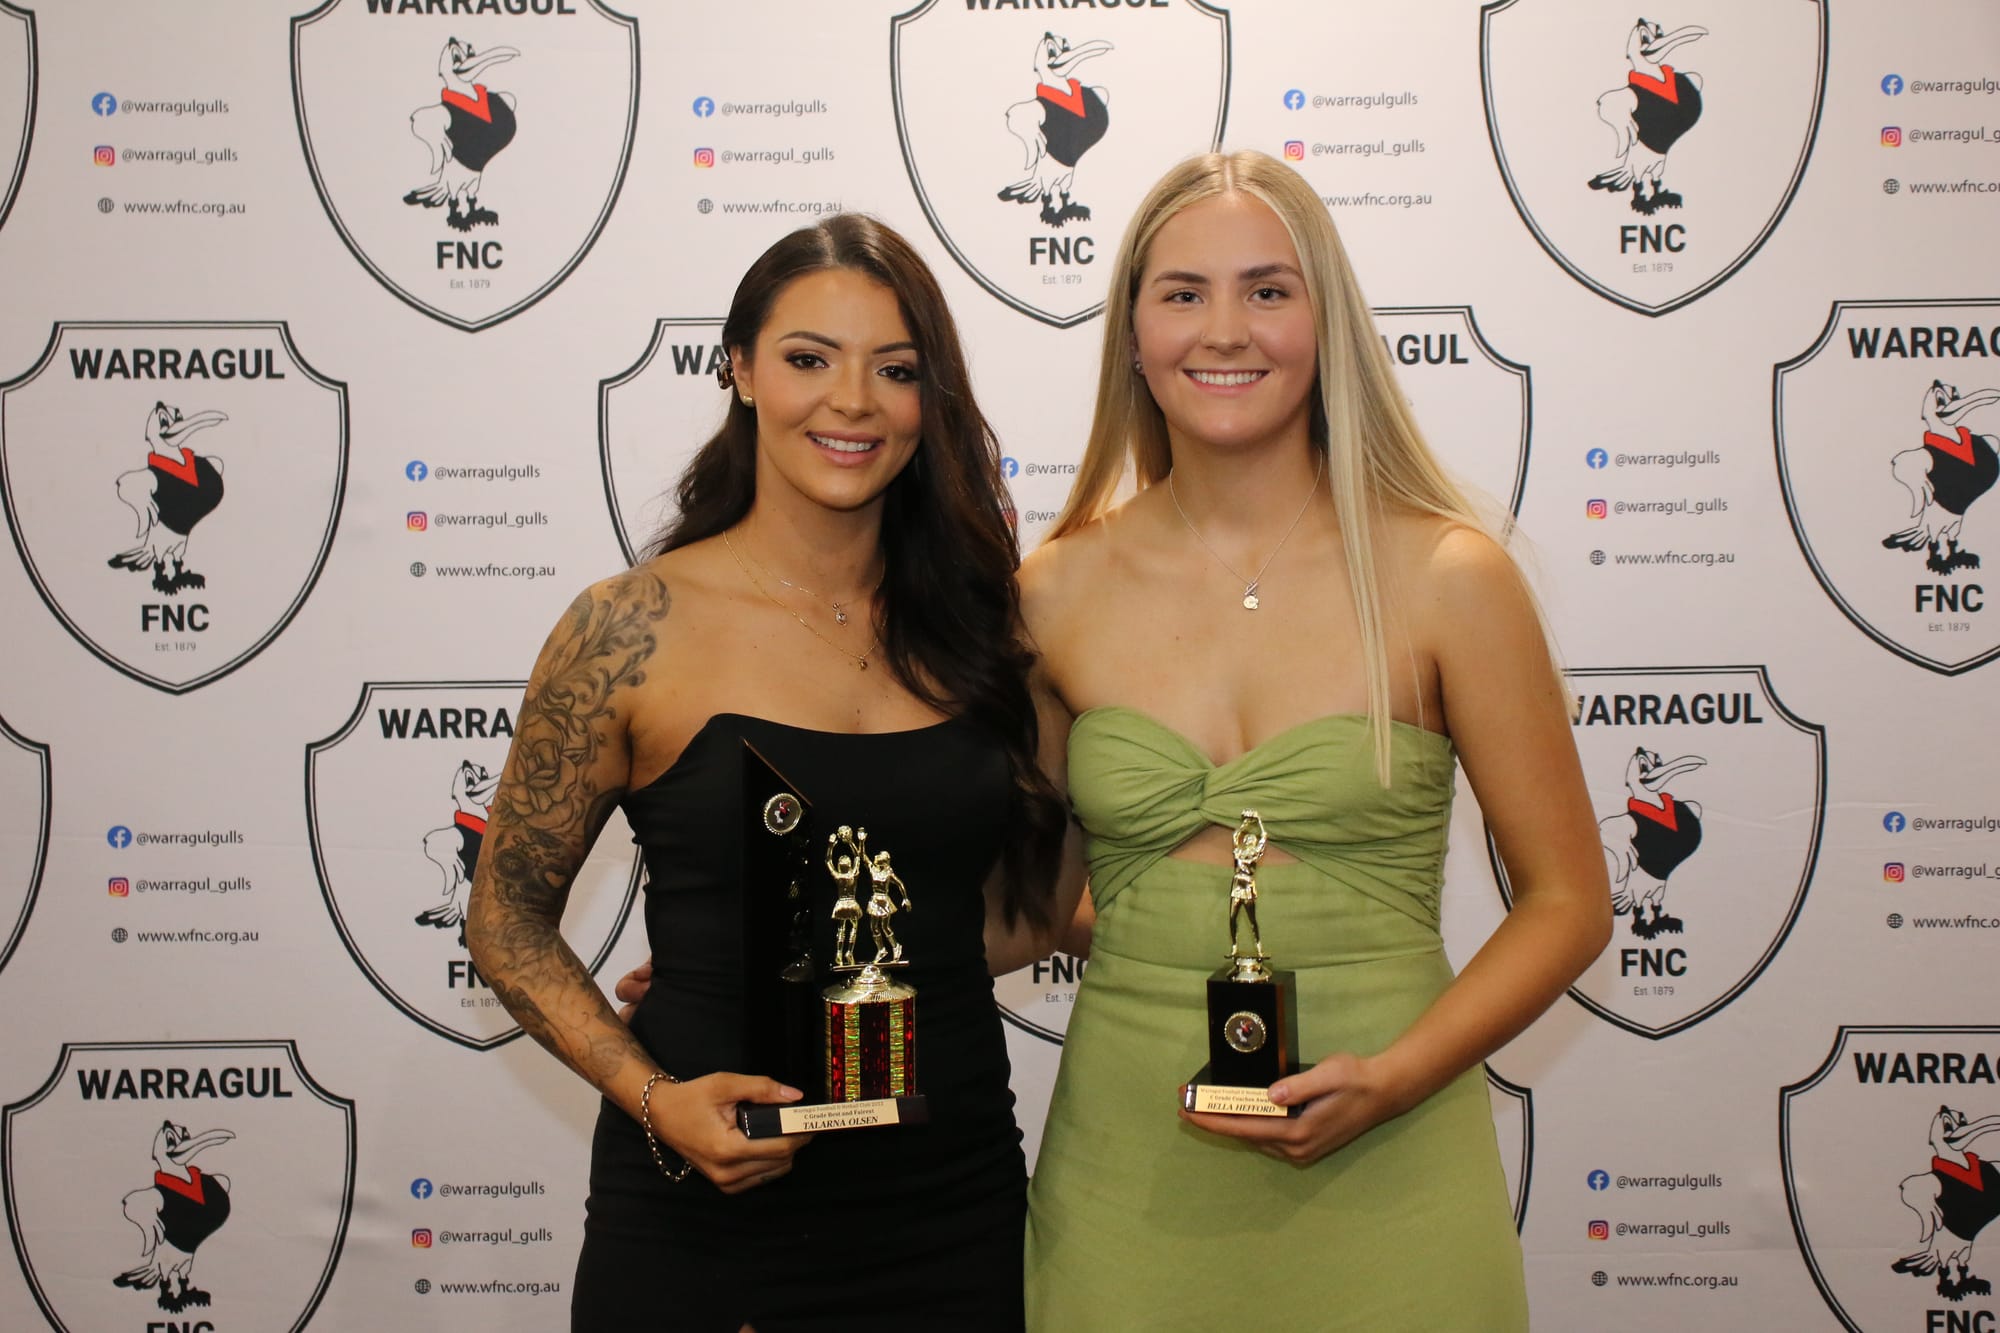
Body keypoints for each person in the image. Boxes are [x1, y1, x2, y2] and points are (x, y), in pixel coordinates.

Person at [1018, 150, 1612, 1330]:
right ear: (1131, 332)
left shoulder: (1448, 576)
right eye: (1181, 292)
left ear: (1324, 320)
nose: (1222, 330)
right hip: (1128, 1174)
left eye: (1266, 290)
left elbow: (1567, 903)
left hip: (1396, 1160)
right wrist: (757, 961)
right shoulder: (1053, 590)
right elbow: (1026, 902)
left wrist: (1392, 1076)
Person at [466, 213, 1067, 1333]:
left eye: (895, 369)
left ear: (929, 398)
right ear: (739, 369)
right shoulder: (627, 628)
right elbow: (503, 920)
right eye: (808, 358)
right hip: (705, 1214)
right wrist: (654, 1098)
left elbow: (1005, 921)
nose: (852, 401)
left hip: (952, 1208)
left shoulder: (987, 628)